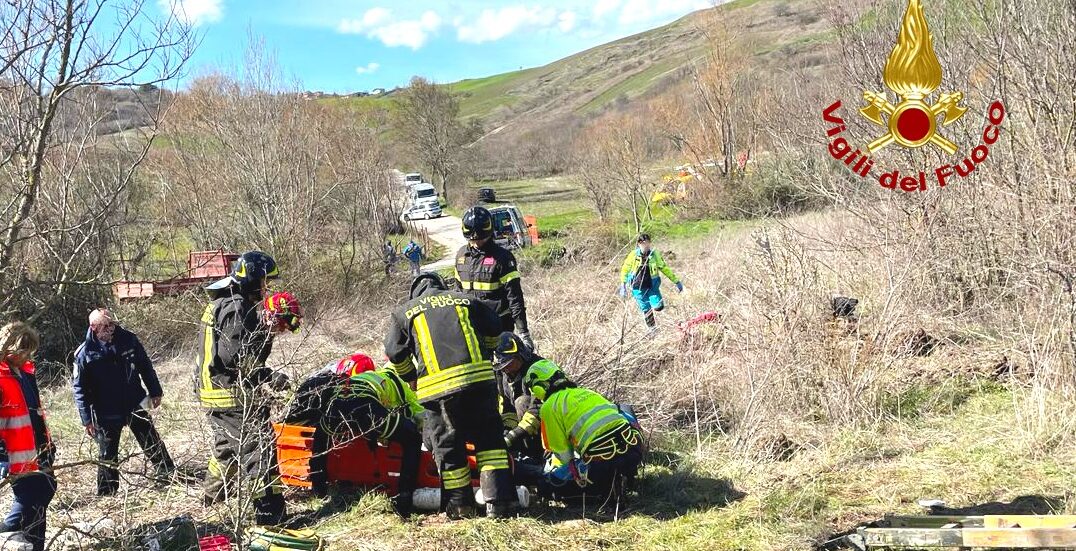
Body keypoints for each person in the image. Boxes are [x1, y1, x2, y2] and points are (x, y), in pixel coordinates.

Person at [384, 273, 516, 518]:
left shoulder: (404, 312)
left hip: (438, 390)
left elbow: (394, 352)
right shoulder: (466, 300)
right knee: (490, 443)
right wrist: (484, 351)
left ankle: (460, 506)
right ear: (442, 287)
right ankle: (499, 503)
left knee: (449, 447)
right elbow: (496, 326)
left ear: (415, 293)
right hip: (480, 382)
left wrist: (410, 376)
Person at [195, 251, 299, 526]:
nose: (267, 288)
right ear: (253, 279)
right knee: (260, 454)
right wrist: (267, 374)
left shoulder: (226, 302)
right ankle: (271, 520)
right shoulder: (236, 306)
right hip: (231, 395)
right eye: (265, 282)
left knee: (225, 452)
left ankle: (209, 503)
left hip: (216, 393)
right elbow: (235, 357)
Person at [73, 308, 175, 496]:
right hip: (105, 410)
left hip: (135, 401)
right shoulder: (84, 353)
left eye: (112, 324)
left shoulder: (129, 339)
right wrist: (86, 419)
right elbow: (79, 389)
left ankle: (167, 472)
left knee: (150, 439)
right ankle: (107, 492)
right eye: (105, 325)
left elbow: (145, 366)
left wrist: (155, 391)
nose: (110, 328)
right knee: (107, 453)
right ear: (93, 327)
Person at [523, 360, 644, 504]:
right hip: (634, 449)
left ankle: (604, 492)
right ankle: (627, 478)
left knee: (548, 485)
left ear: (538, 387)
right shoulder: (587, 392)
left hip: (602, 464)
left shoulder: (549, 407)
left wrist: (554, 472)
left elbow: (563, 455)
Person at [0, 322, 56, 551]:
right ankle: (5, 533)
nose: (27, 357)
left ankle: (35, 545)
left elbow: (34, 412)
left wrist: (48, 444)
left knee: (47, 488)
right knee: (30, 497)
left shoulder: (25, 373)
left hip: (37, 448)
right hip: (15, 455)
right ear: (11, 349)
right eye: (24, 352)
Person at [454, 206, 533, 350]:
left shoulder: (503, 258)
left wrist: (523, 332)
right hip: (472, 327)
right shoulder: (461, 256)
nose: (477, 243)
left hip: (499, 326)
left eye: (481, 239)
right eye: (473, 240)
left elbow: (515, 298)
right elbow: (457, 293)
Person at [491, 332, 543, 462]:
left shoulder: (536, 369)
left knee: (522, 402)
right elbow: (508, 409)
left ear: (520, 355)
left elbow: (537, 409)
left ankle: (537, 456)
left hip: (551, 427)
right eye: (503, 367)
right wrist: (507, 430)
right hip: (528, 428)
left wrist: (515, 435)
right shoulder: (504, 377)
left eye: (509, 364)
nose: (506, 369)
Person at [619, 233, 683, 332]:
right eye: (644, 243)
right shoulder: (633, 255)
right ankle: (652, 329)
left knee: (659, 306)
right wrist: (623, 284)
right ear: (639, 244)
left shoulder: (654, 254)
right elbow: (625, 269)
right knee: (646, 309)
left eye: (648, 243)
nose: (646, 245)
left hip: (652, 286)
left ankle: (656, 309)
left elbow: (664, 268)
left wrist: (676, 281)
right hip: (638, 287)